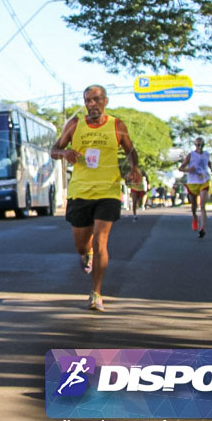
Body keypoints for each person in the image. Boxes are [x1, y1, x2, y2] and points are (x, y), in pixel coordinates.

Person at [51, 85, 141, 312]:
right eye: (88, 100)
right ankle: (86, 254)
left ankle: (96, 294)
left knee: (101, 241)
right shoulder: (74, 125)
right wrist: (65, 153)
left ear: (105, 101)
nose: (92, 104)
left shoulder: (116, 125)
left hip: (108, 191)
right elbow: (54, 149)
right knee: (82, 245)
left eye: (96, 99)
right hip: (80, 192)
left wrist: (134, 168)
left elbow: (131, 150)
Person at [179, 137, 212, 238]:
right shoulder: (191, 155)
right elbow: (180, 168)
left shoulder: (206, 154)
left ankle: (202, 228)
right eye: (198, 145)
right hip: (192, 182)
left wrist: (211, 169)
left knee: (202, 205)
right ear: (195, 145)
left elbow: (208, 162)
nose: (199, 147)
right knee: (194, 206)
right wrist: (189, 169)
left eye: (201, 145)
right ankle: (195, 218)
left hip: (204, 181)